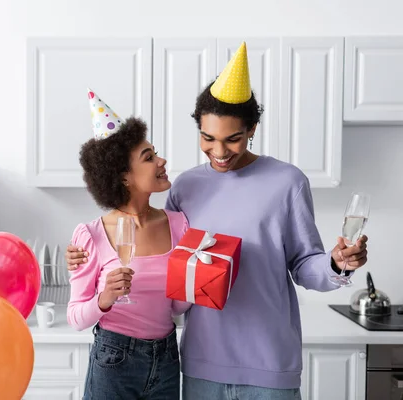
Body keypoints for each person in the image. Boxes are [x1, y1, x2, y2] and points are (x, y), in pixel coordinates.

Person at [67, 44, 369, 400]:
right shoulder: (186, 188)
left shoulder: (288, 182)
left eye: (233, 139)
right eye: (208, 138)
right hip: (199, 364)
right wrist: (84, 256)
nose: (220, 152)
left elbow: (305, 266)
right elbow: (173, 273)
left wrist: (337, 263)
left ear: (252, 129)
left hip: (269, 364)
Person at [66, 88, 191, 400]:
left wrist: (197, 281)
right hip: (114, 358)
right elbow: (75, 318)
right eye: (148, 158)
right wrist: (104, 298)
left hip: (166, 358)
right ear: (123, 177)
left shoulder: (179, 224)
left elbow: (176, 308)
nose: (161, 161)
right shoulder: (90, 235)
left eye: (155, 152)